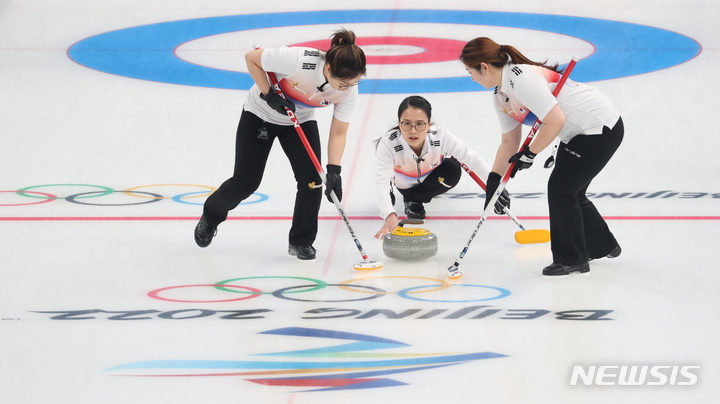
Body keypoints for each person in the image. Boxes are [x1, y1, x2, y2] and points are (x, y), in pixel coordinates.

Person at [194, 29, 366, 260]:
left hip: (300, 119)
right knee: (246, 182)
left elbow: (338, 132)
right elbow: (252, 58)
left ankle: (301, 241)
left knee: (313, 181)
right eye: (343, 83)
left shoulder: (349, 92)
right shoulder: (298, 60)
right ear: (328, 69)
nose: (347, 88)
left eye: (353, 83)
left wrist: (334, 170)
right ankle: (211, 215)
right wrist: (269, 94)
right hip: (261, 114)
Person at [460, 37, 623, 276]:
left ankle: (572, 259)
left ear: (483, 67)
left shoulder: (523, 80)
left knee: (562, 190)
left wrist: (531, 153)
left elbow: (555, 120)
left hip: (599, 127)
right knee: (570, 190)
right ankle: (602, 245)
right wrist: (494, 181)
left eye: (470, 72)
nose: (471, 78)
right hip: (577, 133)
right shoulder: (500, 95)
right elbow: (509, 142)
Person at [373, 95, 507, 239]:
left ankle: (415, 198)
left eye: (420, 124)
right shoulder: (388, 144)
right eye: (406, 123)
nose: (413, 131)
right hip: (404, 183)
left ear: (429, 124)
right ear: (399, 124)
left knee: (452, 169)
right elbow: (382, 181)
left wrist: (495, 184)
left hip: (431, 177)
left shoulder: (440, 136)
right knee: (401, 188)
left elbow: (472, 158)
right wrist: (389, 214)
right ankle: (410, 197)